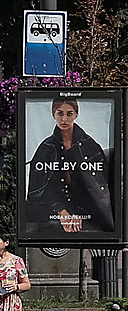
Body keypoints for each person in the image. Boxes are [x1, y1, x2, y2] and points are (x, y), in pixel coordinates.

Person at [25, 95, 114, 235]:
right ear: (53, 114)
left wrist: (81, 212)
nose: (64, 119)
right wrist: (61, 210)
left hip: (88, 207)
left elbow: (100, 187)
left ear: (76, 115)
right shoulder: (46, 147)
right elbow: (37, 189)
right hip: (51, 207)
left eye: (69, 113)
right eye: (60, 113)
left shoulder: (90, 146)